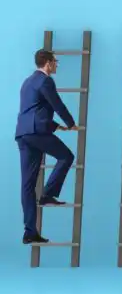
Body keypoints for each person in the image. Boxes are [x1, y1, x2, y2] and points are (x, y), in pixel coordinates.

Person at [15, 49, 77, 244]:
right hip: (37, 133)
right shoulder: (46, 81)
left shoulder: (27, 82)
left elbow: (34, 109)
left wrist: (56, 126)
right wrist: (70, 123)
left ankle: (30, 232)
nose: (57, 65)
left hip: (23, 134)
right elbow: (56, 104)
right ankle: (48, 194)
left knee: (27, 185)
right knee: (66, 156)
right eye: (55, 62)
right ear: (48, 63)